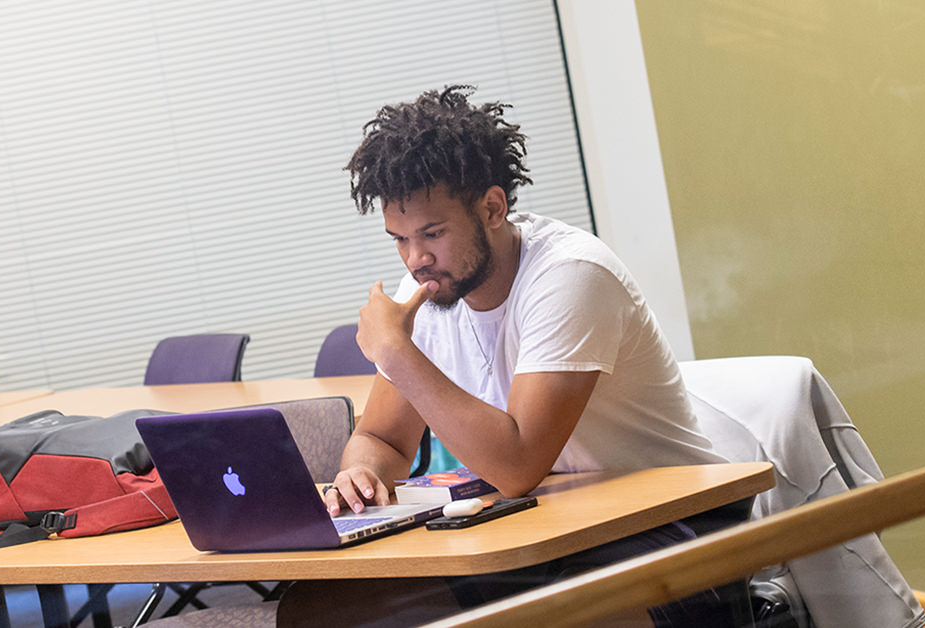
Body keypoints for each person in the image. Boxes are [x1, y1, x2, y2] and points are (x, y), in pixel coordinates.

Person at [305, 85, 732, 627]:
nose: (416, 260)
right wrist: (361, 475)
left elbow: (518, 464)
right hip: (537, 530)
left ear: (492, 208)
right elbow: (383, 439)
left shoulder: (570, 275)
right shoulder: (437, 295)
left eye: (432, 234)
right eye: (399, 239)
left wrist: (397, 351)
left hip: (666, 530)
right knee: (323, 610)